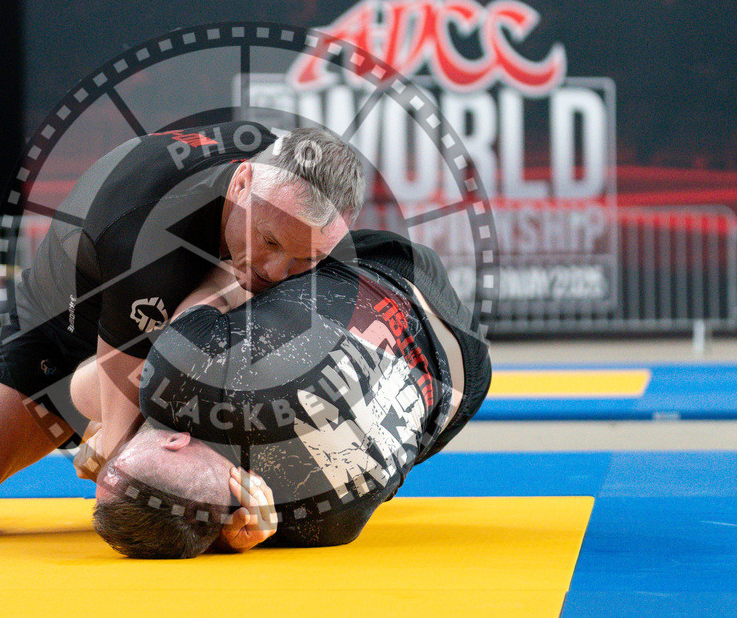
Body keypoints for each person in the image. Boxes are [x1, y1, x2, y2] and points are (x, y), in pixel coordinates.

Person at [0, 120, 366, 540]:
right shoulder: (141, 227)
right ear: (241, 184)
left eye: (302, 260)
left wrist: (247, 505)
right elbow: (116, 477)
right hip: (67, 328)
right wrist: (166, 485)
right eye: (267, 242)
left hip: (164, 333)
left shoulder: (299, 209)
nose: (275, 273)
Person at [83, 229, 492, 557]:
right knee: (99, 385)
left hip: (466, 375)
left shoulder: (323, 528)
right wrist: (112, 419)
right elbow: (221, 273)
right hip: (393, 266)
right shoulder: (179, 381)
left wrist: (237, 535)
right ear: (175, 440)